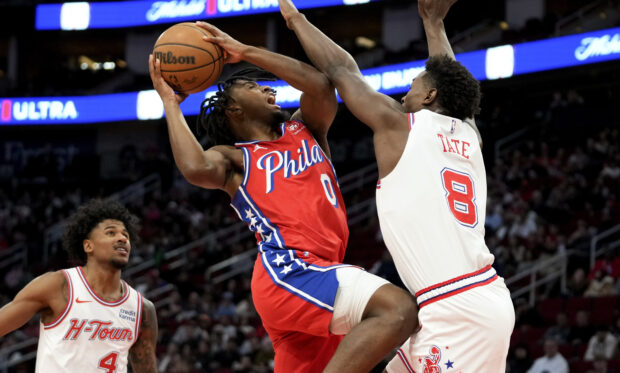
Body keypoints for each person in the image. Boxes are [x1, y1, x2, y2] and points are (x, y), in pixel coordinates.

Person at [270, 0, 515, 372]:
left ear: (430, 95)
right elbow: (450, 79)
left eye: (416, 83)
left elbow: (341, 70)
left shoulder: (400, 125)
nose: (407, 90)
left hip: (456, 309)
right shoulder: (468, 132)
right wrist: (434, 25)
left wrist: (297, 21)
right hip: (462, 300)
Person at [148, 21, 418, 373]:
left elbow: (320, 85)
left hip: (321, 270)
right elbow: (196, 167)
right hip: (290, 270)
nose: (268, 89)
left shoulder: (305, 128)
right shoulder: (236, 157)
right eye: (252, 87)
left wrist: (244, 51)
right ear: (234, 111)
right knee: (398, 310)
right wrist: (170, 103)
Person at [0, 198, 158, 372]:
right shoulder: (57, 285)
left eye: (125, 235)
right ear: (88, 246)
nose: (122, 238)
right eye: (111, 233)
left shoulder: (142, 309)